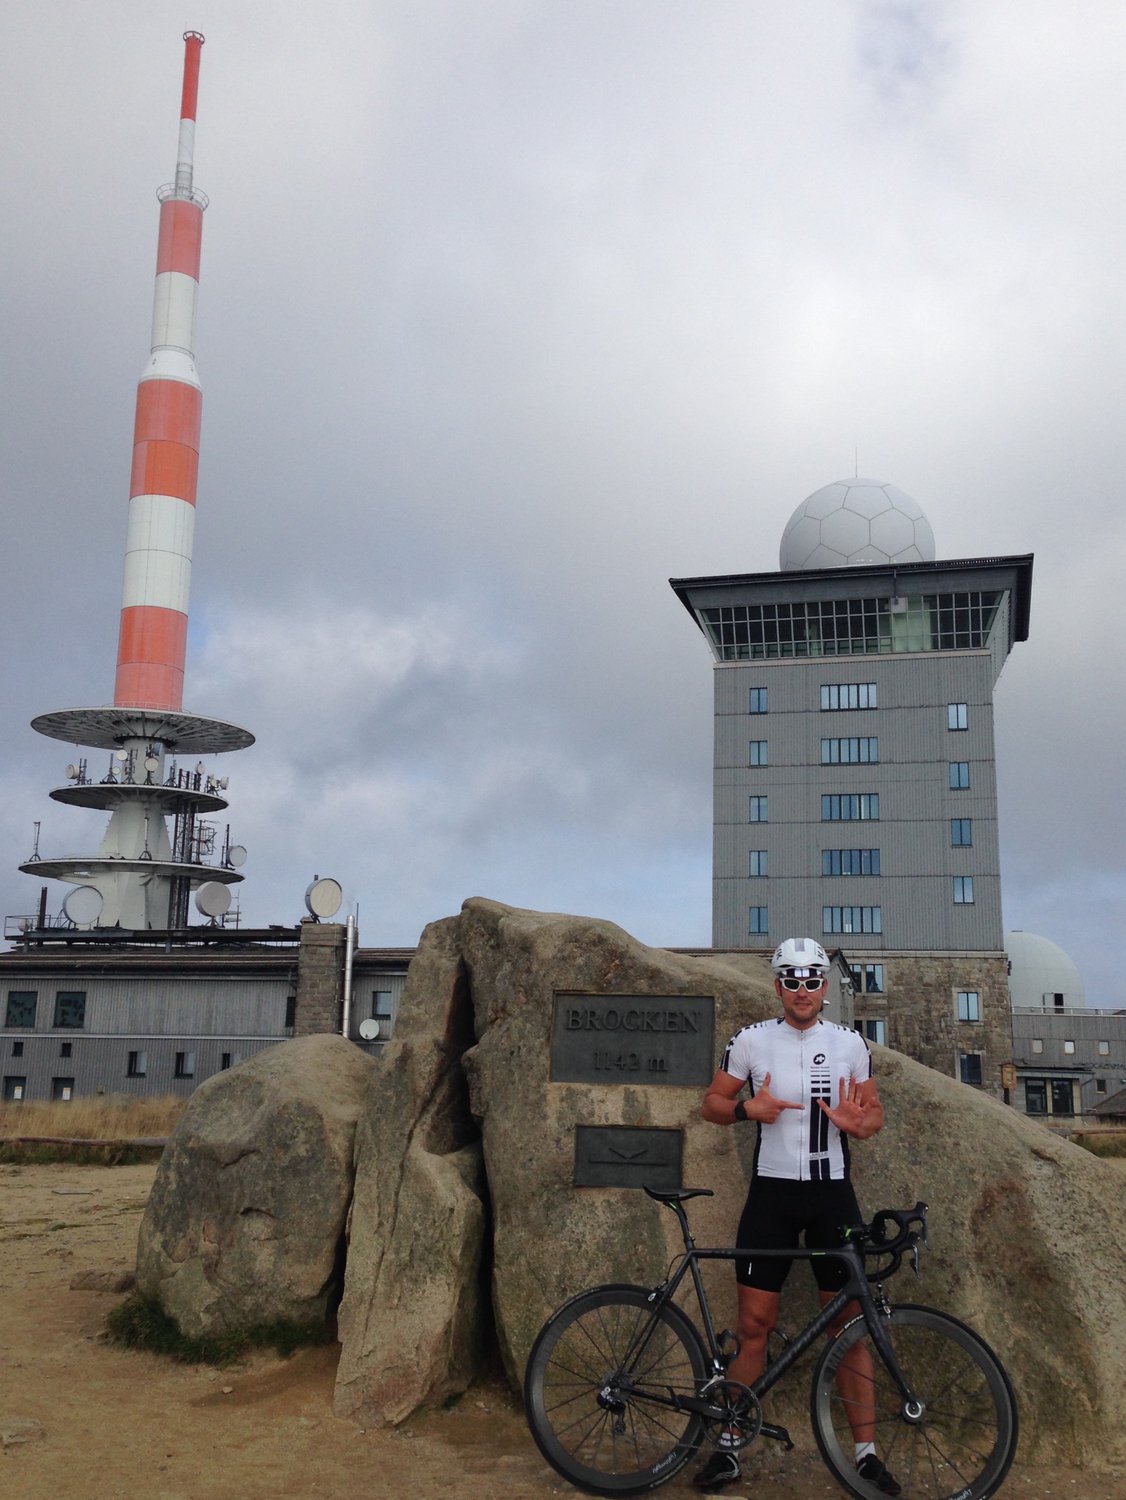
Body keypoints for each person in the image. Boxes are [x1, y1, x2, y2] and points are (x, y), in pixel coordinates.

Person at [693, 937, 899, 1496]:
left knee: (848, 1327)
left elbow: (875, 1113)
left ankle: (866, 1456)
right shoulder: (751, 1040)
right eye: (791, 980)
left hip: (833, 1196)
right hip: (772, 1197)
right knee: (753, 1327)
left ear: (824, 987)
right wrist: (745, 1109)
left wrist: (860, 1124)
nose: (802, 990)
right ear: (778, 986)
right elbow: (711, 1104)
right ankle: (729, 1447)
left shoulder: (850, 1044)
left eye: (811, 981)